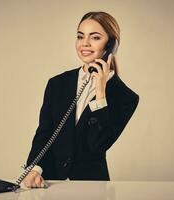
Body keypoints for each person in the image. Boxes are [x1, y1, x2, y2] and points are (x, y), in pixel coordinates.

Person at [23, 11, 139, 188]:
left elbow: (98, 144)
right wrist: (34, 168)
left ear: (111, 44)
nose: (84, 43)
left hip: (93, 186)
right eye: (80, 36)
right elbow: (44, 132)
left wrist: (100, 93)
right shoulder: (57, 84)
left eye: (95, 37)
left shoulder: (125, 97)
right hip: (50, 183)